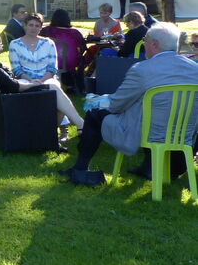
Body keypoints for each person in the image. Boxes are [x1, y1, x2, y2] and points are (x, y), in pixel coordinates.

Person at [64, 22, 198, 180]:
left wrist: (95, 100)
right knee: (154, 112)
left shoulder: (142, 70)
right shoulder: (194, 69)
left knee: (95, 112)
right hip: (185, 133)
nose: (144, 44)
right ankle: (149, 167)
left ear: (154, 44)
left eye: (145, 39)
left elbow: (116, 104)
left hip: (149, 132)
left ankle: (80, 168)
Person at [0, 30, 85, 141]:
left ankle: (63, 130)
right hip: (15, 101)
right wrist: (32, 84)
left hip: (4, 101)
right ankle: (78, 125)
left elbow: (10, 84)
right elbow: (15, 87)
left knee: (57, 97)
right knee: (55, 92)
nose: (1, 46)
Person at [39, 8, 86, 91]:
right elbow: (83, 48)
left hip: (49, 60)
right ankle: (75, 85)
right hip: (70, 62)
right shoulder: (74, 33)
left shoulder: (46, 31)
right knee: (80, 59)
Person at [8, 14, 59, 84]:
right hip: (25, 80)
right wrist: (31, 81)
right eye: (31, 25)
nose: (33, 28)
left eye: (37, 26)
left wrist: (41, 81)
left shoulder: (49, 43)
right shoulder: (14, 44)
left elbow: (52, 68)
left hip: (47, 79)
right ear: (25, 26)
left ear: (41, 28)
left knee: (54, 86)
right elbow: (16, 69)